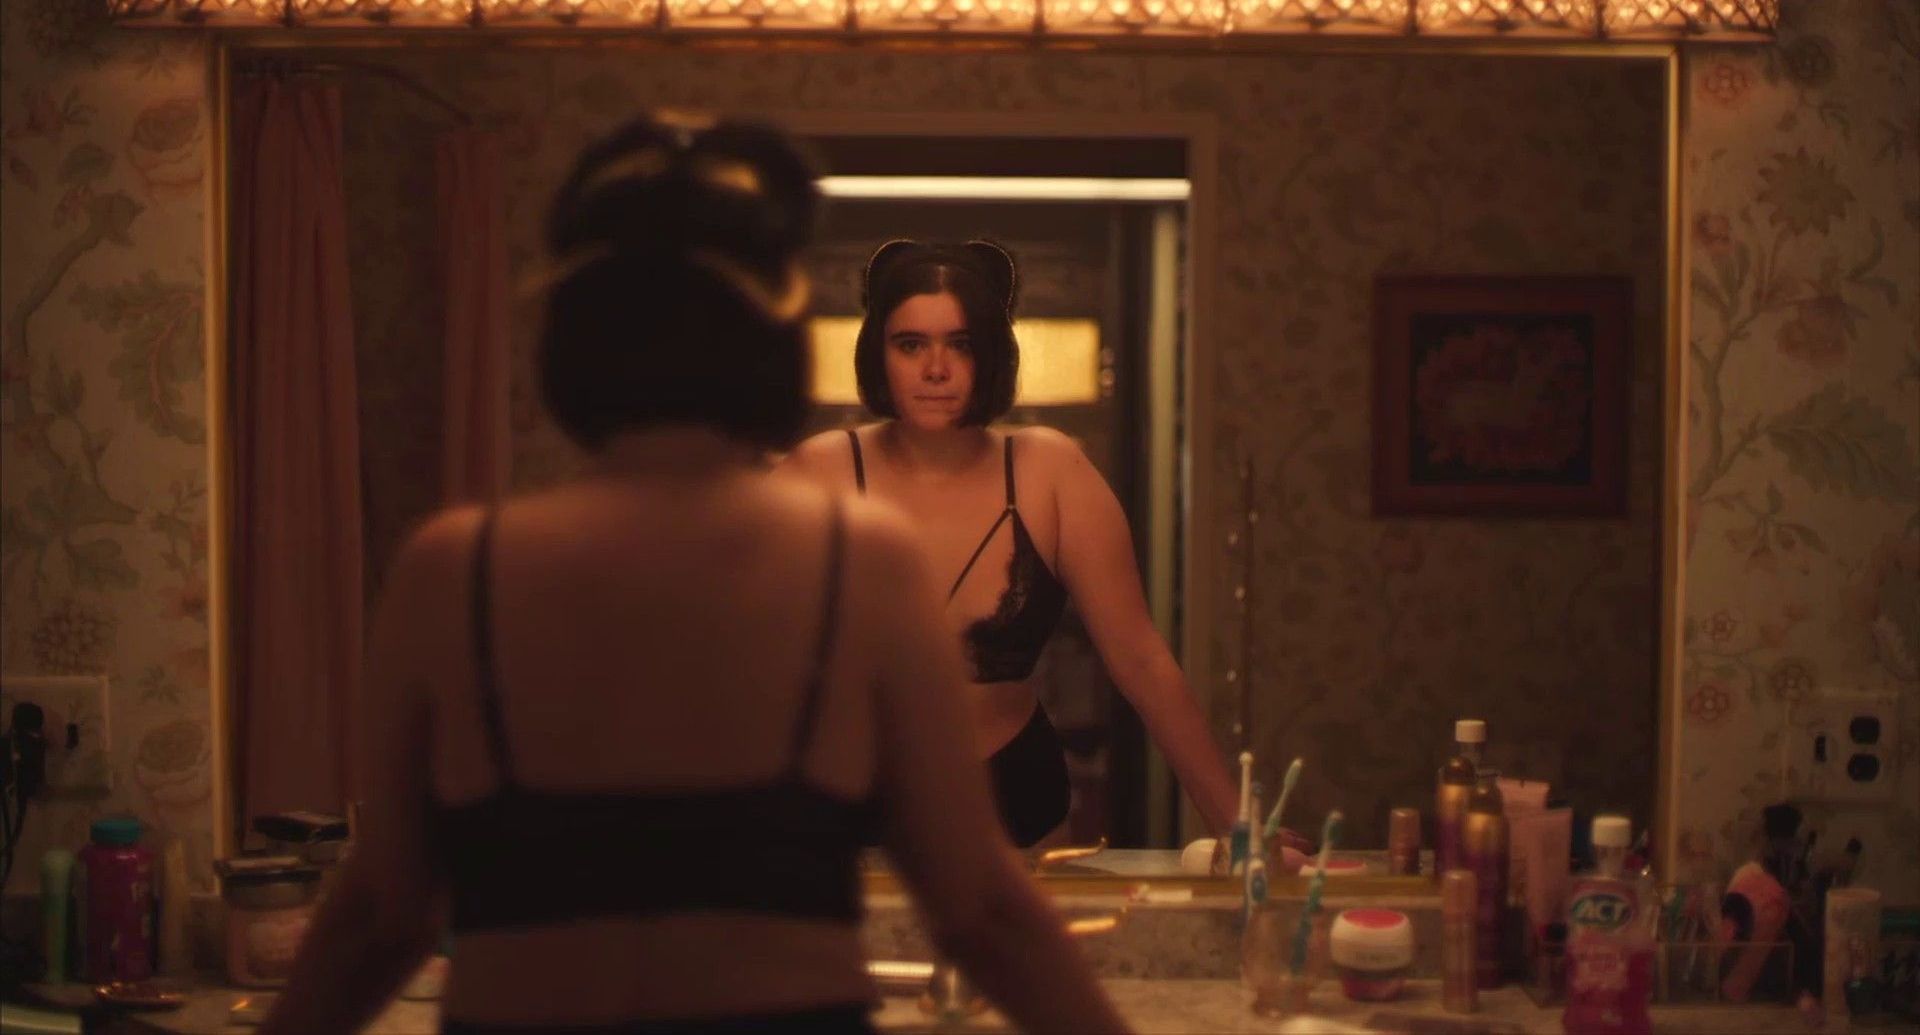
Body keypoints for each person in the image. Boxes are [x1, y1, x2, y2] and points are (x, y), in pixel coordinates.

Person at [259, 114, 1129, 1035]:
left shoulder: (453, 572)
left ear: (569, 347)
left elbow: (378, 917)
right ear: (774, 351)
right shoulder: (861, 567)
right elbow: (983, 912)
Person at [782, 239, 1241, 848]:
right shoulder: (820, 471)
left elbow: (1142, 660)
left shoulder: (1050, 471)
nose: (936, 369)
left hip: (1013, 789)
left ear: (992, 355)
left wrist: (1238, 829)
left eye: (962, 344)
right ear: (878, 354)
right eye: (911, 344)